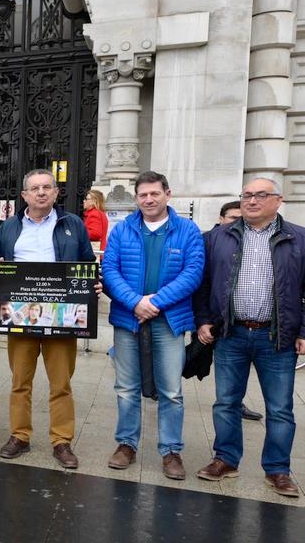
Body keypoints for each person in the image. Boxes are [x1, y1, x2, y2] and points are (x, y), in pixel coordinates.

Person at [193, 178, 303, 498]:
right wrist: (203, 321)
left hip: (276, 336)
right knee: (226, 402)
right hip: (232, 333)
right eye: (246, 195)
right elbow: (203, 284)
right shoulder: (218, 237)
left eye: (260, 195)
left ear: (278, 200)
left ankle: (278, 469)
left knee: (280, 408)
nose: (251, 200)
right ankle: (226, 459)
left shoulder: (298, 238)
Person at [0, 168, 97, 469]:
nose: (41, 193)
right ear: (24, 195)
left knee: (60, 383)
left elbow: (87, 264)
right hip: (20, 315)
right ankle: (19, 436)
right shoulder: (9, 228)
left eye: (47, 187)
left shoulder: (72, 224)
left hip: (61, 317)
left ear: (56, 192)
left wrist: (93, 284)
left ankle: (61, 441)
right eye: (34, 188)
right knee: (20, 380)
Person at [102, 171, 204, 480]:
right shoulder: (122, 231)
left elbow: (193, 273)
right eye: (143, 194)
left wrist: (155, 302)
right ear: (136, 198)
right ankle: (126, 445)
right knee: (126, 387)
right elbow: (109, 269)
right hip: (127, 318)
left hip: (169, 321)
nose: (148, 199)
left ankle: (171, 450)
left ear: (167, 194)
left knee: (171, 390)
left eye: (154, 193)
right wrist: (135, 302)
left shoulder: (187, 230)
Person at [207, 201, 263, 422]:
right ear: (221, 219)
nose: (238, 222)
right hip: (219, 322)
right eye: (232, 218)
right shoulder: (211, 241)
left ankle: (237, 403)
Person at [83, 188, 109, 255]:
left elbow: (95, 234)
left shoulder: (94, 214)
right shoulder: (100, 213)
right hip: (100, 250)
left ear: (94, 201)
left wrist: (80, 234)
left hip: (95, 251)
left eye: (86, 199)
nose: (84, 201)